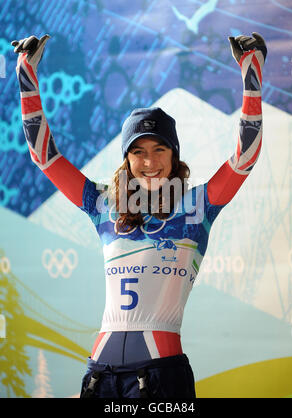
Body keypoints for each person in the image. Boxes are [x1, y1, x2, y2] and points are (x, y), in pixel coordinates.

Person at [11, 32, 267, 398]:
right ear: (127, 159)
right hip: (99, 375)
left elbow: (245, 156)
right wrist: (26, 75)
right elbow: (44, 156)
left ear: (174, 154)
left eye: (159, 149)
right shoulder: (102, 205)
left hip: (160, 375)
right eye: (138, 152)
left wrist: (251, 71)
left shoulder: (196, 206)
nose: (149, 162)